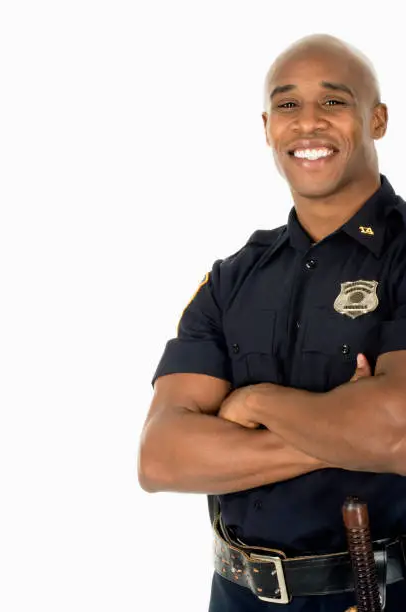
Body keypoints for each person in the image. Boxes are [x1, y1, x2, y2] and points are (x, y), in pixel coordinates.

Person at [138, 33, 406, 611]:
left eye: (333, 101)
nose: (307, 123)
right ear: (267, 128)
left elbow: (399, 430)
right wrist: (343, 428)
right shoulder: (232, 278)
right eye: (287, 105)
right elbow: (160, 457)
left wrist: (255, 403)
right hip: (234, 596)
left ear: (377, 119)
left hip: (374, 595)